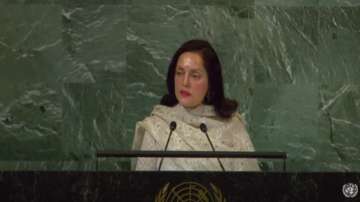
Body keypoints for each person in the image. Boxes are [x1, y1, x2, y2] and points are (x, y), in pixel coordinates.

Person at [132, 39, 260, 171]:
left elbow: (252, 187)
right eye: (179, 73)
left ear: (211, 82)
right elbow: (141, 188)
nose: (185, 82)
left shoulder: (232, 127)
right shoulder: (157, 127)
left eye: (195, 75)